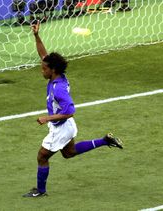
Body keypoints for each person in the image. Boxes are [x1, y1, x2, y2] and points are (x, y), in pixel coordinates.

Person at [22, 20, 123, 198]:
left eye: (43, 69)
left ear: (52, 70)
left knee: (42, 157)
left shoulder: (59, 89)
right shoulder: (57, 76)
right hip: (65, 126)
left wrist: (47, 118)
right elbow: (44, 55)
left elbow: (70, 111)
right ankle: (105, 141)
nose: (41, 70)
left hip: (61, 126)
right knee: (69, 152)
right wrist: (36, 35)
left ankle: (40, 190)